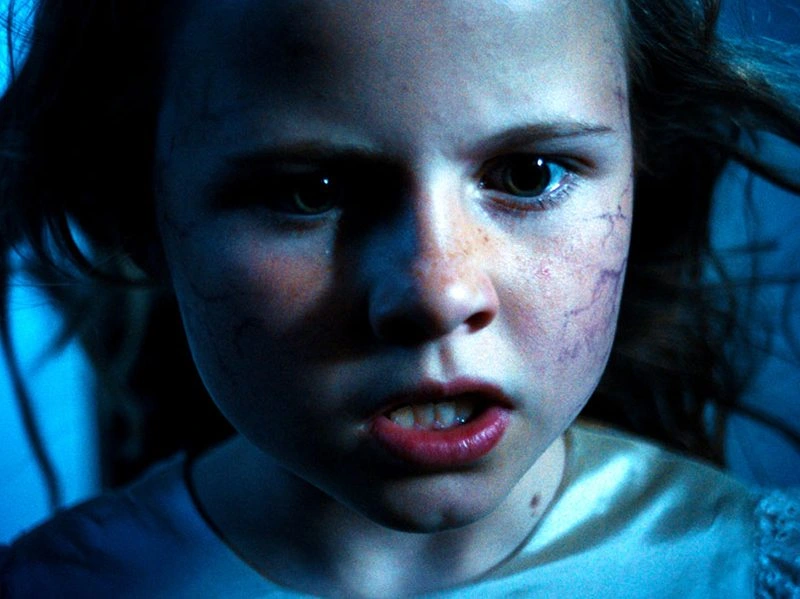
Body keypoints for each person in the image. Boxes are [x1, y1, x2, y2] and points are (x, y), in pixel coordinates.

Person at [0, 0, 799, 596]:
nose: (437, 294)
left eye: (528, 175)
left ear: (641, 166)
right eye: (310, 191)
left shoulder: (746, 572)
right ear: (139, 210)